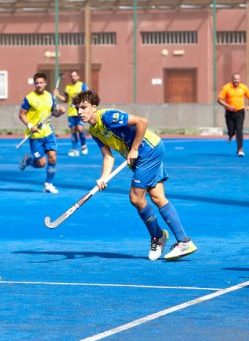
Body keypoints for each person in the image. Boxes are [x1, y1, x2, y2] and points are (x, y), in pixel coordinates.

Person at [73, 90, 197, 261]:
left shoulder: (108, 117)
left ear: (94, 107)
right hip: (141, 156)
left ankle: (159, 236)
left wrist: (135, 148)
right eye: (77, 108)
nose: (80, 112)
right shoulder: (94, 131)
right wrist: (104, 177)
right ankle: (183, 241)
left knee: (136, 198)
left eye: (83, 107)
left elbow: (142, 121)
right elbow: (108, 156)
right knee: (157, 196)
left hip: (148, 150)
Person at [18, 72, 65, 193]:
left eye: (41, 82)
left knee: (53, 158)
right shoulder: (29, 98)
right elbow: (22, 114)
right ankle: (28, 161)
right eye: (37, 83)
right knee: (41, 163)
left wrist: (60, 112)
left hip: (48, 133)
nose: (39, 85)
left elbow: (54, 113)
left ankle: (48, 184)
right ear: (34, 84)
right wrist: (30, 125)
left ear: (45, 83)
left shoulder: (50, 96)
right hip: (35, 136)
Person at [53, 69, 89, 157]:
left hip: (80, 111)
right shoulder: (68, 87)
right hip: (71, 113)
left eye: (74, 76)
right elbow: (65, 100)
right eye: (71, 76)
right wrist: (57, 95)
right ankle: (75, 149)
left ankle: (83, 144)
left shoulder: (82, 86)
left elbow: (88, 97)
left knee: (80, 129)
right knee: (73, 131)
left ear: (78, 76)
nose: (73, 77)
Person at [217, 73, 249, 157]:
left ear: (240, 80)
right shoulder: (226, 87)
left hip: (240, 112)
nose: (236, 81)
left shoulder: (243, 87)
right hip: (229, 113)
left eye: (238, 79)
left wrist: (248, 106)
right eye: (234, 79)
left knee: (239, 130)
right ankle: (230, 135)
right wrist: (228, 106)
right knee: (231, 131)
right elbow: (219, 99)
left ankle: (240, 149)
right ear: (232, 79)